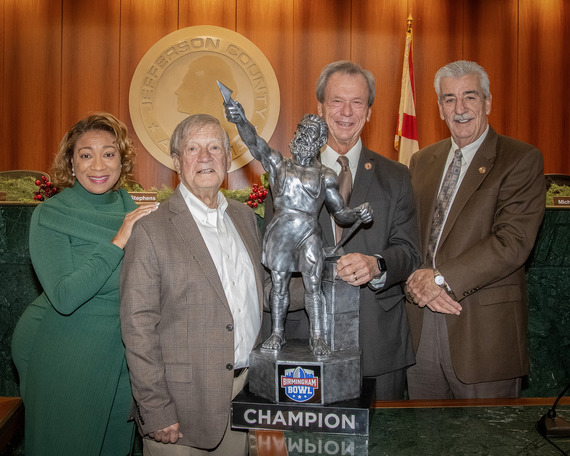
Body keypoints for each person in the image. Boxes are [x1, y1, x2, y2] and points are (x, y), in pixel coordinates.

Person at [269, 60, 420, 400]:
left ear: (369, 110)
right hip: (303, 344)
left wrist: (377, 264)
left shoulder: (396, 176)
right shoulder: (287, 175)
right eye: (337, 101)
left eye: (357, 102)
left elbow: (409, 251)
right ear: (319, 107)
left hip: (378, 344)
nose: (346, 112)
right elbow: (274, 254)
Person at [11, 112, 158, 455]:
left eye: (108, 153)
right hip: (64, 344)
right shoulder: (51, 214)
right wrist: (118, 241)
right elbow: (65, 296)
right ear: (71, 163)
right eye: (85, 154)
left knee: (114, 447)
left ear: (122, 161)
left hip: (120, 348)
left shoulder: (130, 209)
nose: (98, 165)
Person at [120, 114, 264, 456]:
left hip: (245, 397)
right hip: (179, 412)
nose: (205, 157)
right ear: (176, 161)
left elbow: (260, 293)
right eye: (193, 148)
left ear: (229, 160)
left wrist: (330, 278)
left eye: (215, 147)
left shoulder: (245, 219)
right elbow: (137, 326)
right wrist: (155, 407)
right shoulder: (152, 230)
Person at [405, 60, 545, 399]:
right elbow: (407, 234)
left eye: (470, 96)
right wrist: (413, 282)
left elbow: (512, 242)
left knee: (486, 442)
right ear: (440, 108)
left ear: (488, 102)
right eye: (450, 99)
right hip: (421, 327)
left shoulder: (520, 158)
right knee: (423, 443)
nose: (461, 108)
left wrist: (439, 279)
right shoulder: (422, 160)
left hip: (483, 333)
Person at [225, 102, 372, 357]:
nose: (303, 136)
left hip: (308, 236)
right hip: (281, 233)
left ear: (320, 141)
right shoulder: (278, 165)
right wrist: (240, 120)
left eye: (310, 133)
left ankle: (316, 337)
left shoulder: (326, 176)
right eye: (301, 130)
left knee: (314, 286)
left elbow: (341, 213)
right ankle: (278, 333)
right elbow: (255, 143)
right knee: (279, 285)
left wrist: (358, 212)